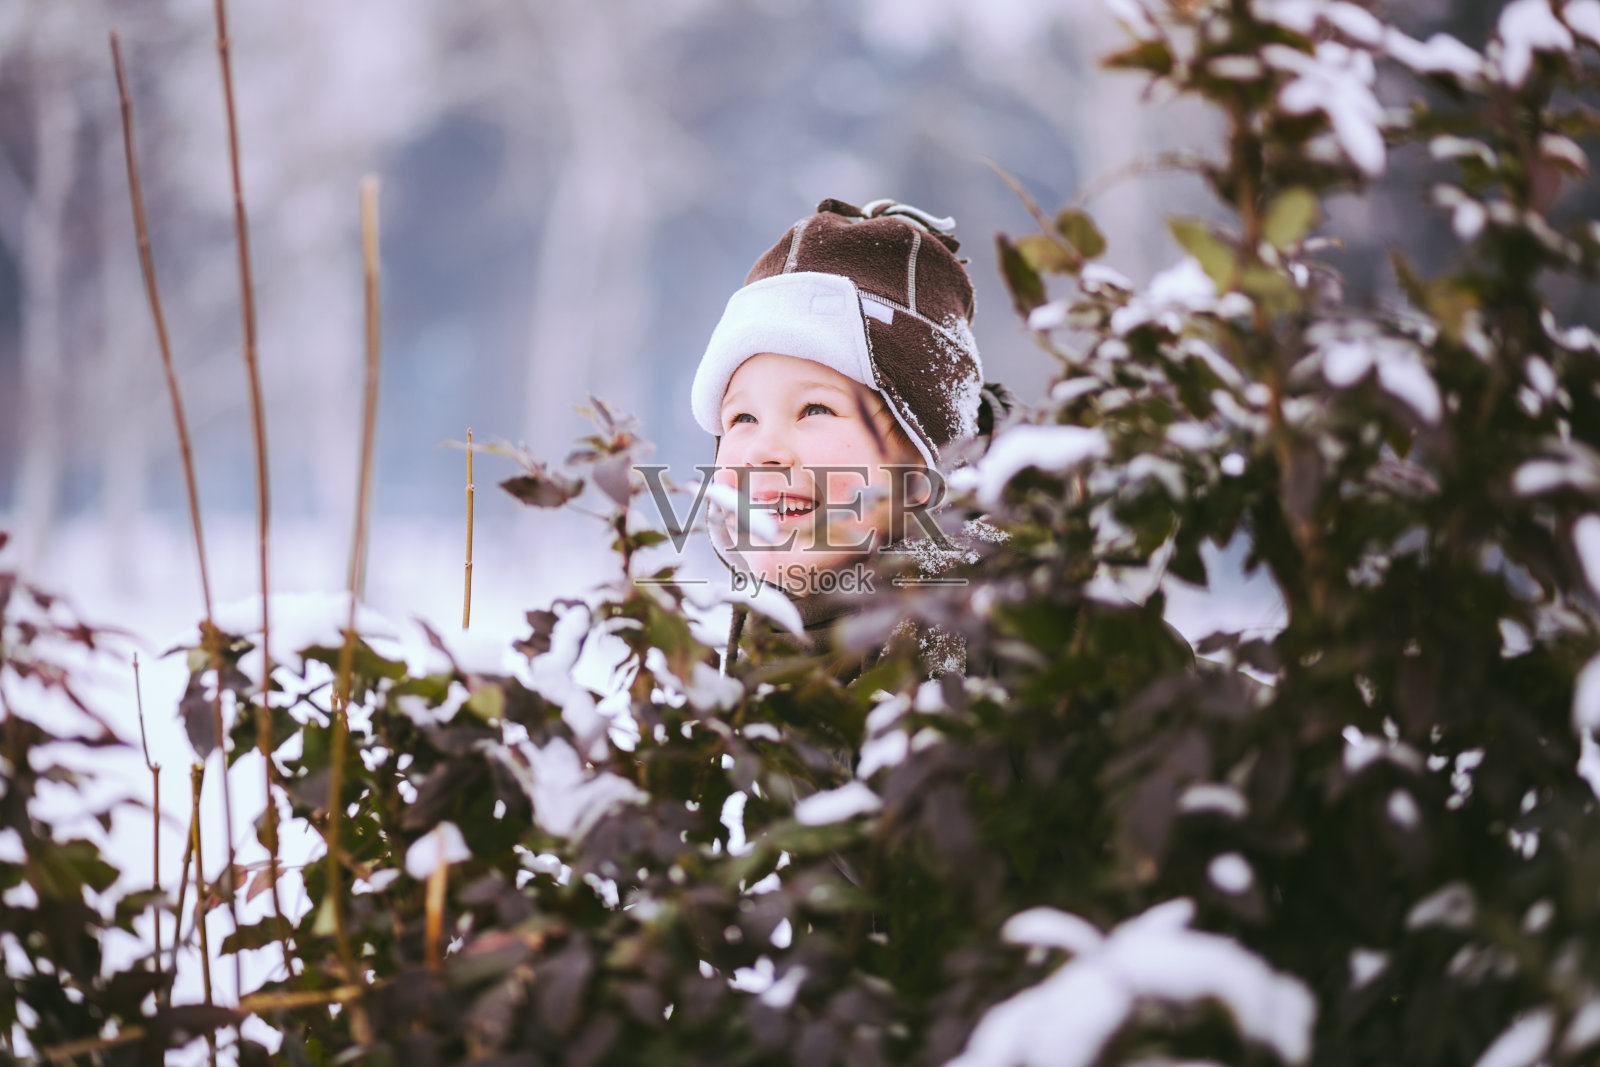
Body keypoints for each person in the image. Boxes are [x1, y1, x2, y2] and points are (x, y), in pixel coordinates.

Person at [689, 198, 1008, 672]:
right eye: (742, 419)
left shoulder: (1039, 646)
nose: (764, 452)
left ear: (926, 459)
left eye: (815, 408)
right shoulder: (739, 669)